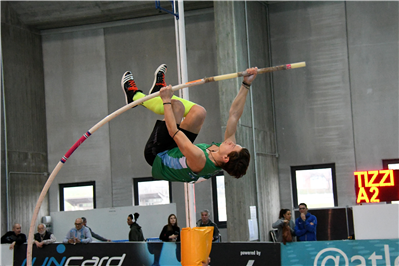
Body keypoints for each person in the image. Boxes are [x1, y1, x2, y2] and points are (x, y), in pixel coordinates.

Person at [121, 64, 257, 183]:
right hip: (177, 149)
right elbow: (234, 115)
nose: (231, 142)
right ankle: (157, 92)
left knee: (176, 107)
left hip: (157, 155)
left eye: (233, 146)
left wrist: (166, 100)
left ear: (226, 158)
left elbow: (173, 131)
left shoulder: (200, 159)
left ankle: (134, 96)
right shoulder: (223, 153)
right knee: (199, 112)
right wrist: (246, 84)